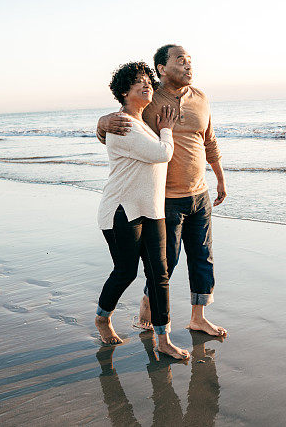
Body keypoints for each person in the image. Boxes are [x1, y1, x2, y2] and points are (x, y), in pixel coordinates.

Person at [97, 45, 227, 337]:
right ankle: (148, 302)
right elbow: (121, 123)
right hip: (165, 198)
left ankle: (198, 317)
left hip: (199, 192)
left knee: (202, 256)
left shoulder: (201, 98)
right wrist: (101, 123)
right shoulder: (150, 97)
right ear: (162, 68)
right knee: (166, 262)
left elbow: (209, 140)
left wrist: (220, 178)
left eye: (190, 61)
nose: (188, 66)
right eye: (181, 61)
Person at [95, 61, 189, 360]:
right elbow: (161, 154)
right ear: (124, 91)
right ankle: (102, 317)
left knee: (159, 275)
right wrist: (166, 129)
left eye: (149, 79)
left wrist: (159, 128)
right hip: (121, 210)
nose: (147, 83)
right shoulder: (122, 125)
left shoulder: (141, 124)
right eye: (139, 81)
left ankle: (163, 338)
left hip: (152, 209)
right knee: (125, 271)